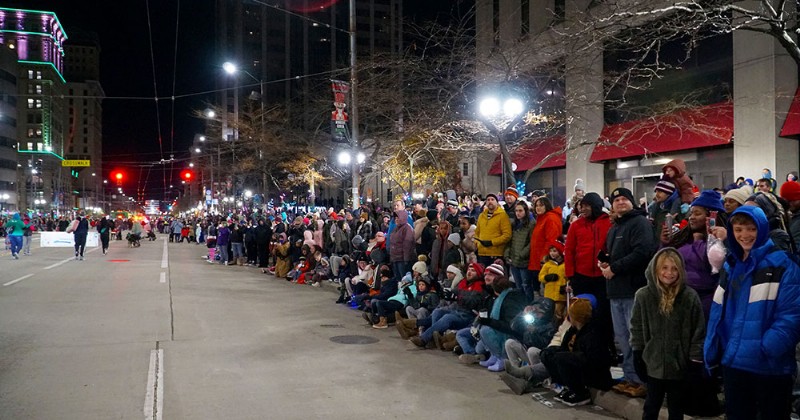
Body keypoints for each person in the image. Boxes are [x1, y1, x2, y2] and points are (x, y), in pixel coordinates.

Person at [704, 206, 800, 420]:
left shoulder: (783, 264)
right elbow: (718, 313)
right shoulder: (730, 266)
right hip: (734, 363)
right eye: (738, 229)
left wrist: (767, 347)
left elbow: (792, 315)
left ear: (762, 229)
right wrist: (714, 348)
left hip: (769, 368)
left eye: (750, 229)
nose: (744, 235)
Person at [630, 248, 706, 420]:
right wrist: (637, 352)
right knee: (651, 407)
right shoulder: (643, 296)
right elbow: (637, 328)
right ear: (656, 269)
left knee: (676, 409)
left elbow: (698, 331)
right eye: (664, 268)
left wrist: (695, 359)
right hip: (653, 363)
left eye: (674, 268)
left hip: (679, 366)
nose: (669, 273)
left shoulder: (689, 297)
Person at [601, 187, 657, 397]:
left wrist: (614, 268)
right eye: (616, 200)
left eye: (625, 199)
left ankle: (642, 380)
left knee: (636, 338)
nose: (620, 203)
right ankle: (630, 377)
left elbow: (643, 252)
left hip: (634, 290)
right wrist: (605, 262)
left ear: (632, 202)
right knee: (622, 338)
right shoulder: (616, 227)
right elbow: (613, 254)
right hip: (615, 291)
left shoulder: (639, 223)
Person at [541, 296, 614, 407]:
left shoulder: (593, 333)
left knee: (562, 358)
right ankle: (567, 386)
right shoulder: (573, 330)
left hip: (595, 375)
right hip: (580, 366)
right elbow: (564, 346)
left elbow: (596, 360)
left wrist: (568, 356)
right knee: (548, 354)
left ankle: (581, 393)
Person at [528, 197, 562, 298]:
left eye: (541, 205)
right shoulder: (541, 218)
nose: (538, 208)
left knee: (547, 291)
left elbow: (551, 240)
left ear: (547, 205)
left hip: (544, 260)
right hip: (537, 259)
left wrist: (544, 257)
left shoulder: (550, 218)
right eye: (536, 205)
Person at [505, 201, 534, 302]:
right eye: (516, 211)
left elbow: (532, 242)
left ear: (526, 211)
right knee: (518, 286)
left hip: (523, 260)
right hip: (513, 259)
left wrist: (522, 254)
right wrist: (507, 254)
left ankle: (528, 305)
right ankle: (520, 306)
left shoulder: (531, 224)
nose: (518, 213)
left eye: (520, 211)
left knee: (526, 285)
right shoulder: (514, 224)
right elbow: (510, 241)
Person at [474, 193, 512, 267]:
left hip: (496, 253)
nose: (490, 201)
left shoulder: (503, 215)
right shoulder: (481, 216)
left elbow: (507, 235)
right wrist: (477, 243)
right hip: (482, 253)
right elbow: (477, 232)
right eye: (488, 200)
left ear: (497, 202)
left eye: (492, 199)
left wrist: (492, 242)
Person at [538, 241, 567, 321]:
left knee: (558, 313)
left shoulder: (565, 265)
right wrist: (547, 277)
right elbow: (540, 277)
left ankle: (557, 328)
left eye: (554, 251)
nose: (552, 253)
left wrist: (565, 286)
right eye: (550, 251)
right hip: (549, 295)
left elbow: (568, 277)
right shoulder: (547, 264)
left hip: (560, 295)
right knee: (549, 313)